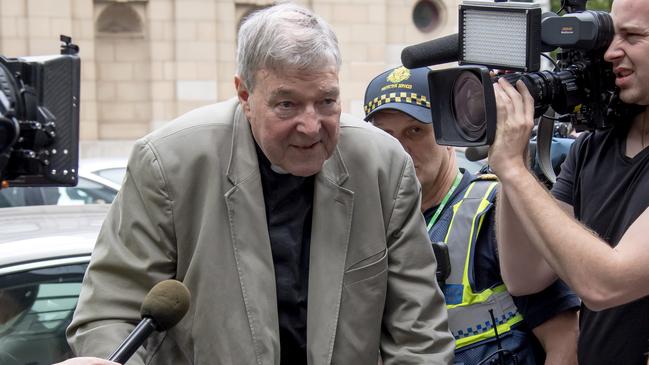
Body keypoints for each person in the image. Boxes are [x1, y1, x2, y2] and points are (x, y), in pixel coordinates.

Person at [66, 3, 454, 365]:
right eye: (287, 104)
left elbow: (418, 334)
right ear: (244, 95)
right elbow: (110, 315)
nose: (310, 125)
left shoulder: (383, 166)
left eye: (326, 101)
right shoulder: (168, 164)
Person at [363, 65, 580, 364]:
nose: (400, 149)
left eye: (415, 130)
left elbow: (566, 341)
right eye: (386, 136)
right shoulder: (369, 224)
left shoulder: (496, 213)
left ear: (449, 133)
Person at [490, 0, 649, 364]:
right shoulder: (594, 147)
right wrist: (513, 164)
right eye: (612, 32)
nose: (610, 51)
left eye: (633, 36)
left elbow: (606, 284)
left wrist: (514, 170)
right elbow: (525, 275)